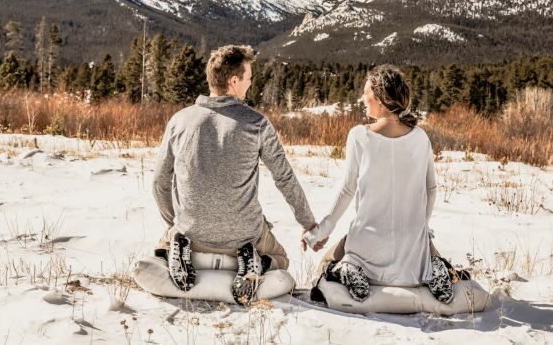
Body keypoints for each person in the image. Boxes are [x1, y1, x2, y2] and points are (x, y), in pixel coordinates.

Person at [152, 45, 317, 303]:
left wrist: (175, 222)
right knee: (281, 259)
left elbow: (160, 182)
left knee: (165, 243)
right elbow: (284, 177)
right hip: (244, 236)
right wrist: (308, 222)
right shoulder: (256, 123)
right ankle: (255, 261)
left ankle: (179, 246)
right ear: (233, 81)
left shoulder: (179, 121)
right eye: (248, 79)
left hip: (191, 231)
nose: (250, 84)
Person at [302, 64, 453, 303]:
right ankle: (432, 269)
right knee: (427, 254)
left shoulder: (360, 136)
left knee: (325, 265)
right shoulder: (420, 137)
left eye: (366, 93)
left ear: (381, 99)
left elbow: (346, 190)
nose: (362, 98)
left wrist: (319, 233)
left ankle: (349, 267)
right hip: (412, 254)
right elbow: (431, 190)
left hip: (368, 244)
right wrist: (420, 229)